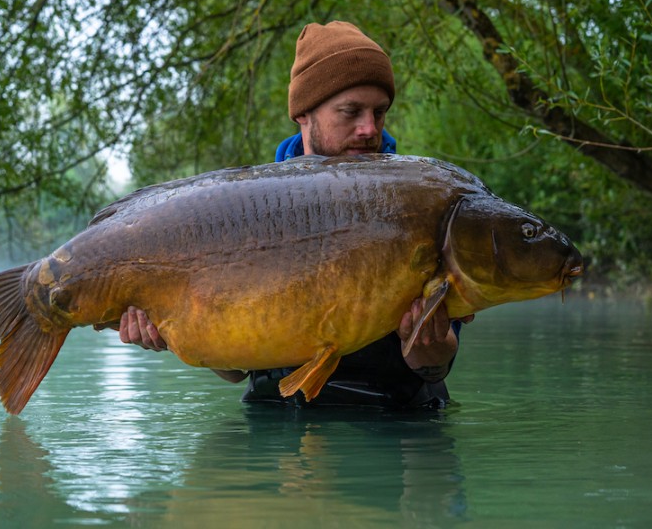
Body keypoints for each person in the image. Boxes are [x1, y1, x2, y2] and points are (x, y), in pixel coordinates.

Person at [117, 21, 472, 408]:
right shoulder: (243, 209)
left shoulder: (417, 201)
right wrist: (171, 332)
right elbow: (234, 371)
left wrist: (428, 346)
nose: (369, 128)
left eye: (379, 111)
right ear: (304, 113)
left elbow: (435, 367)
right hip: (272, 430)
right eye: (351, 112)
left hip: (392, 426)